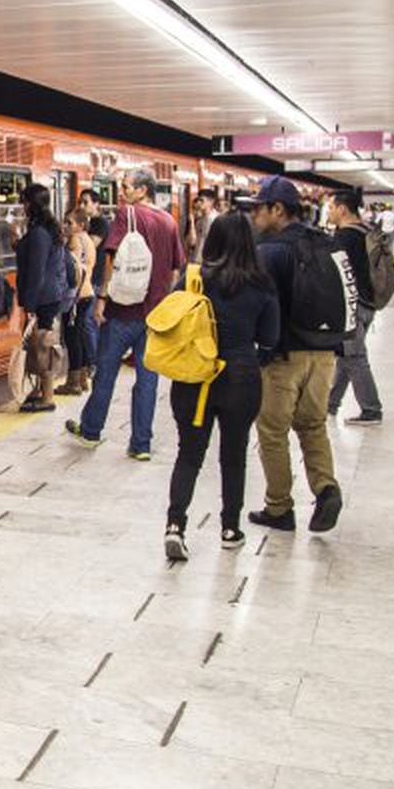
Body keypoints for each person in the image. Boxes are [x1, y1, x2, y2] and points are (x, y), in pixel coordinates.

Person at [161, 213, 281, 562]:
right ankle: (230, 529)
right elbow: (269, 338)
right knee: (234, 455)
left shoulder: (193, 278)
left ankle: (175, 526)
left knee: (189, 454)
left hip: (194, 377)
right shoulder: (261, 283)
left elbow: (170, 321)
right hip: (240, 377)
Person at [242, 176, 343, 533]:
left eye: (259, 207)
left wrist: (257, 349)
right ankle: (325, 487)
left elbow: (259, 305)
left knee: (272, 430)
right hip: (326, 354)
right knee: (313, 424)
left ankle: (279, 507)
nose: (254, 214)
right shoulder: (326, 243)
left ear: (278, 209)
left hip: (285, 357)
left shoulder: (271, 251)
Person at [66, 169, 185, 460]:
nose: (121, 191)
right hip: (154, 316)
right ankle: (141, 445)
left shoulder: (127, 214)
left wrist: (102, 298)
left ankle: (92, 431)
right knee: (148, 379)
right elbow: (175, 268)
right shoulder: (169, 221)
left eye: (126, 186)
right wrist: (161, 300)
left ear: (142, 190)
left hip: (122, 312)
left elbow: (111, 258)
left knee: (106, 373)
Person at [325, 189, 384, 426]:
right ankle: (330, 403)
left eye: (330, 207)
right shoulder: (367, 230)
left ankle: (371, 410)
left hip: (352, 305)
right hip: (369, 302)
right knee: (347, 355)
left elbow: (335, 274)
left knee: (355, 356)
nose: (328, 212)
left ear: (342, 209)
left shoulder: (343, 237)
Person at [12, 183, 69, 413]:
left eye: (24, 201)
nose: (22, 206)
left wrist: (30, 305)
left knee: (43, 345)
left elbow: (36, 270)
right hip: (48, 296)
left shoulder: (38, 233)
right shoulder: (46, 229)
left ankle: (47, 398)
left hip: (42, 298)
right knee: (39, 345)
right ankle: (39, 391)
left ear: (30, 203)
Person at [58, 209, 97, 395]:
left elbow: (72, 270)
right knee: (79, 337)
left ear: (81, 225)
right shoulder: (88, 240)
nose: (65, 226)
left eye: (69, 223)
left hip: (76, 296)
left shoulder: (75, 240)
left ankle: (73, 383)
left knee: (72, 338)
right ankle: (82, 380)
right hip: (87, 294)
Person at [187, 188, 218, 257]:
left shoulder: (215, 220)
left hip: (208, 261)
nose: (198, 203)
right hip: (197, 259)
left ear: (211, 202)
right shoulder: (200, 220)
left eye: (201, 200)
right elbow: (192, 242)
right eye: (198, 200)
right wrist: (192, 222)